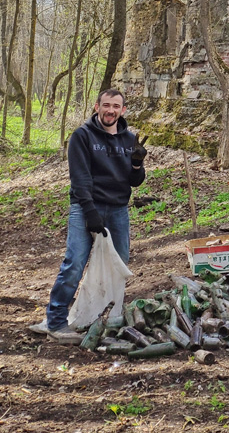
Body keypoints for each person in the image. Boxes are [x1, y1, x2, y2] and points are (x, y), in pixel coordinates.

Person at [30, 89, 148, 344]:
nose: (110, 111)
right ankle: (56, 321)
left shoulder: (129, 139)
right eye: (106, 105)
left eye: (116, 106)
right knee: (74, 263)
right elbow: (80, 178)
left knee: (119, 265)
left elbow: (135, 182)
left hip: (117, 209)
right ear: (97, 107)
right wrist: (90, 211)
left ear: (123, 110)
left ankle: (105, 317)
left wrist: (137, 163)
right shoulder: (82, 136)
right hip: (85, 207)